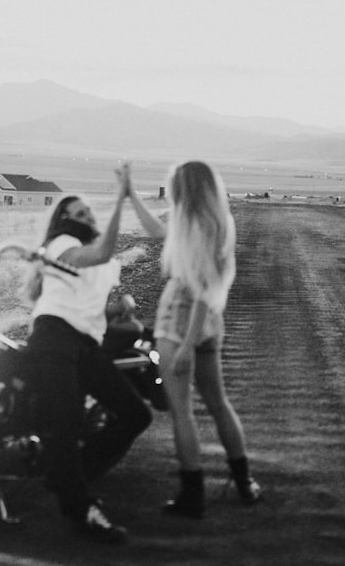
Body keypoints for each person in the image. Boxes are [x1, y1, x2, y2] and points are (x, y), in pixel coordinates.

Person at [122, 160, 261, 518]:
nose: (171, 192)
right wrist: (130, 192)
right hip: (211, 322)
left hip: (180, 323)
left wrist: (185, 344)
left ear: (185, 188)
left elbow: (198, 286)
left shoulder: (195, 224)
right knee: (219, 405)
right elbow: (156, 231)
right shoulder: (218, 221)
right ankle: (244, 481)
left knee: (183, 413)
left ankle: (192, 495)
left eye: (174, 186)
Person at [23, 178, 152, 543]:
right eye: (78, 213)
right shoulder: (62, 244)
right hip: (55, 336)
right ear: (63, 219)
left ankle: (67, 477)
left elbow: (93, 305)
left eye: (88, 211)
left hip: (86, 342)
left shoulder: (104, 260)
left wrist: (119, 308)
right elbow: (96, 256)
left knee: (135, 413)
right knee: (65, 419)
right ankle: (80, 507)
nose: (86, 216)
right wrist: (122, 197)